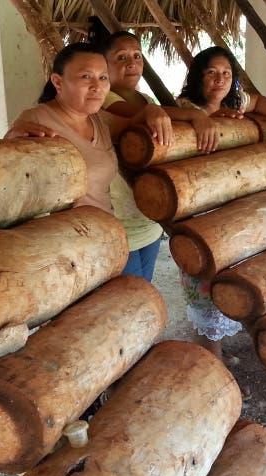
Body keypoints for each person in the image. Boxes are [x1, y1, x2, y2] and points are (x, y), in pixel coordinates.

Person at [175, 46, 266, 359]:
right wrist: (201, 118)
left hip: (234, 209)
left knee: (235, 283)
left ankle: (222, 359)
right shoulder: (185, 105)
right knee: (205, 286)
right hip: (201, 212)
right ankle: (212, 369)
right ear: (198, 77)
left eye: (226, 73)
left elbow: (260, 101)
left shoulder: (237, 102)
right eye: (211, 73)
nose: (219, 79)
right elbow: (168, 113)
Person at [89, 21, 219, 281]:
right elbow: (135, 115)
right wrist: (193, 114)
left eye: (137, 56)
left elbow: (152, 115)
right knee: (130, 294)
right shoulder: (104, 99)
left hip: (144, 215)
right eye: (121, 57)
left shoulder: (147, 100)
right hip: (117, 219)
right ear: (104, 65)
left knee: (144, 286)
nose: (132, 63)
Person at [4, 42, 174, 215]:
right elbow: (7, 165)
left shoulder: (99, 120)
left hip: (105, 232)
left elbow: (135, 122)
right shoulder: (36, 120)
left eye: (103, 77)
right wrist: (10, 143)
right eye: (86, 76)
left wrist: (153, 110)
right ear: (57, 82)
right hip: (60, 238)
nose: (97, 86)